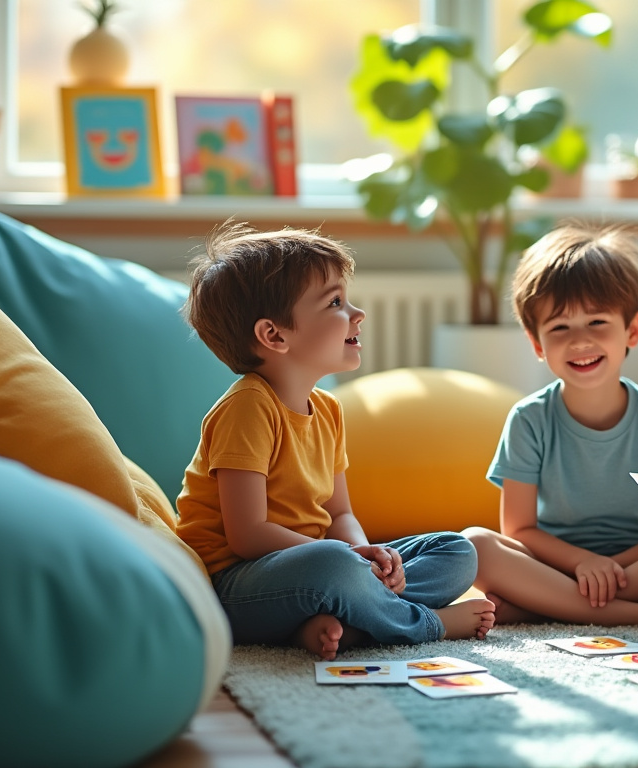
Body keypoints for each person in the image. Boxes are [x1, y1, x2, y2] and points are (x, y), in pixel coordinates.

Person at [175, 222, 495, 660]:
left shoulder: (327, 409)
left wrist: (372, 556)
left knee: (457, 550)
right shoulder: (248, 408)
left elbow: (339, 511)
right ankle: (424, 624)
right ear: (274, 336)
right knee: (334, 565)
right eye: (336, 303)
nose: (357, 314)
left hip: (320, 568)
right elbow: (248, 535)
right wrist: (349, 558)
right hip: (239, 585)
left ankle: (351, 622)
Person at [464, 225, 638, 626]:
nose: (579, 341)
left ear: (633, 330)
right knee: (474, 545)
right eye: (559, 327)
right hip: (556, 564)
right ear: (537, 343)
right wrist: (582, 563)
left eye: (596, 322)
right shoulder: (528, 420)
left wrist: (609, 568)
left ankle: (552, 605)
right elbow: (519, 528)